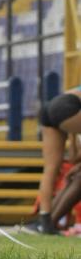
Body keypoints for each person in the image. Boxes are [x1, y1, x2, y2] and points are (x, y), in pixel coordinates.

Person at [26, 88, 81, 234]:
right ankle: (46, 222)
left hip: (50, 108)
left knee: (50, 168)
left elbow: (74, 157)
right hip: (67, 107)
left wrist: (73, 139)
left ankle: (45, 221)